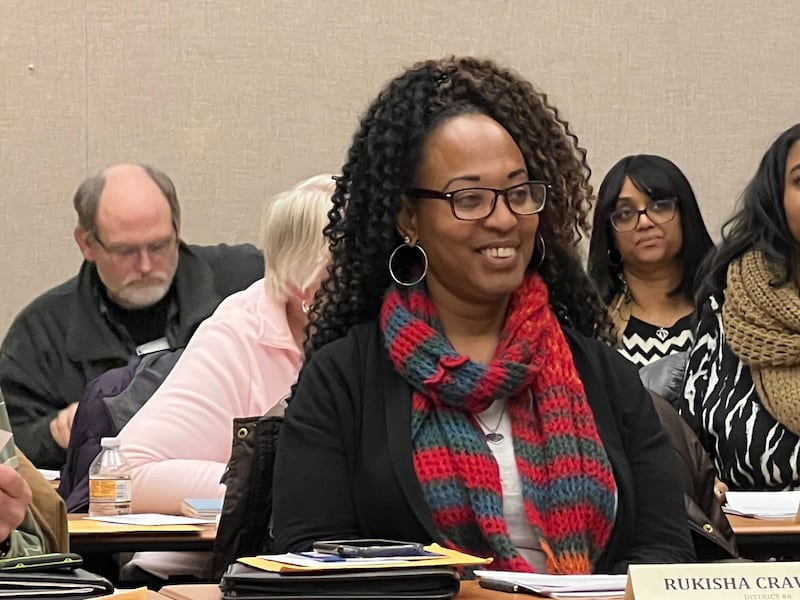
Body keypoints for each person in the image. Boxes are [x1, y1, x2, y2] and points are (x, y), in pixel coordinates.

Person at [272, 57, 694, 575]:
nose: (503, 219)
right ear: (409, 218)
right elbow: (315, 560)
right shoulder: (342, 383)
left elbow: (663, 551)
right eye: (469, 198)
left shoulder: (603, 376)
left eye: (519, 193)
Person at [0, 164, 264, 469]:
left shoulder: (243, 285)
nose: (146, 265)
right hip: (104, 505)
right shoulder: (43, 331)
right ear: (87, 244)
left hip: (228, 488)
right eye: (125, 251)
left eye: (159, 245)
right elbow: (10, 443)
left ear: (177, 229)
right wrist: (54, 435)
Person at [119, 173, 334, 515]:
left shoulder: (398, 332)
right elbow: (125, 475)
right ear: (302, 283)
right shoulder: (240, 334)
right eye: (353, 267)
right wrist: (276, 490)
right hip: (206, 564)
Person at [679, 123, 800, 490]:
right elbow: (689, 446)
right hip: (751, 541)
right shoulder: (728, 307)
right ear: (776, 199)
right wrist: (703, 483)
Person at [588, 155, 714, 367]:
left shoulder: (729, 309)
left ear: (685, 215)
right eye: (626, 213)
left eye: (659, 206)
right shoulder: (592, 327)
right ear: (610, 235)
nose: (644, 222)